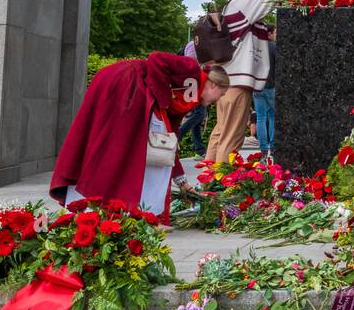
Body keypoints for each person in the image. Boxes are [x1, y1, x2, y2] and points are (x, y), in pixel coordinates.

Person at [50, 52, 229, 223]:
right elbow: (156, 59)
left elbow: (168, 139)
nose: (218, 100)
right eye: (221, 94)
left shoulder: (190, 99)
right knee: (114, 150)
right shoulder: (191, 68)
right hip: (128, 84)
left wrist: (181, 180)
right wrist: (161, 101)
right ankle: (130, 209)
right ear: (213, 85)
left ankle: (124, 208)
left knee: (108, 148)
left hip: (129, 90)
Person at [204, 0, 334, 163]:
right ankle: (219, 186)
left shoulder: (231, 4)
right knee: (231, 140)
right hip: (237, 83)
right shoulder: (246, 0)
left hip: (225, 81)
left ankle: (207, 179)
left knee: (220, 134)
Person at [253, 24, 277, 159]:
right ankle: (273, 147)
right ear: (269, 34)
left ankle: (263, 149)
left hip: (257, 86)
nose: (275, 35)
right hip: (272, 86)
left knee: (260, 118)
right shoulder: (274, 47)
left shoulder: (255, 48)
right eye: (274, 33)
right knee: (273, 116)